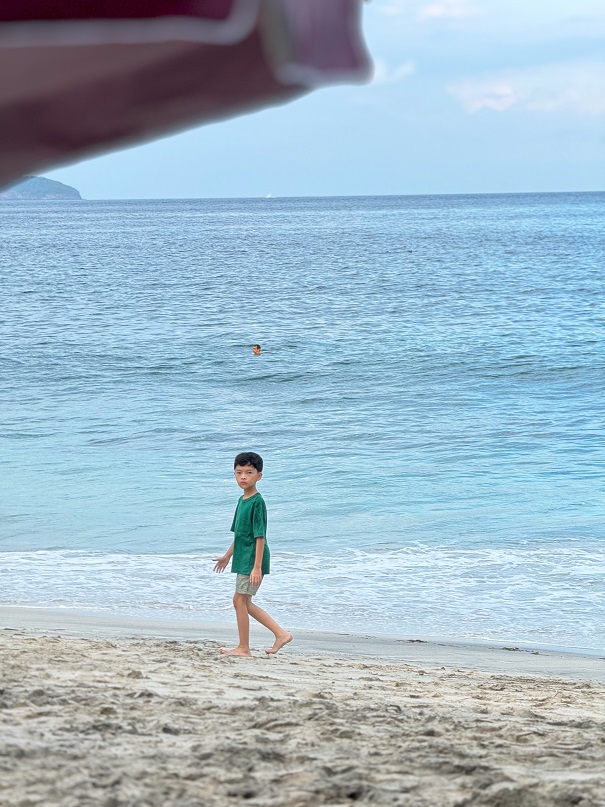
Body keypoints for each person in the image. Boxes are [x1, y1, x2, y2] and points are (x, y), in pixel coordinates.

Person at [213, 451, 292, 656]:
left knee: (239, 601)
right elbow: (240, 535)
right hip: (243, 556)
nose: (243, 477)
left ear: (259, 476)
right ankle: (280, 634)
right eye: (239, 472)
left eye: (249, 472)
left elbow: (259, 537)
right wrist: (227, 555)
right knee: (244, 602)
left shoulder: (257, 502)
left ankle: (244, 648)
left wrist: (257, 566)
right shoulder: (242, 500)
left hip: (252, 558)